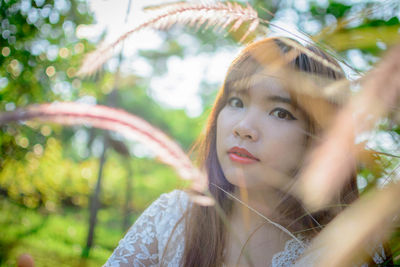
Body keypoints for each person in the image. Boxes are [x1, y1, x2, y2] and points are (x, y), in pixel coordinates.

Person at [104, 37, 390, 266]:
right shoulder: (171, 218)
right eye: (236, 101)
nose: (243, 127)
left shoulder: (346, 250)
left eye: (279, 112)